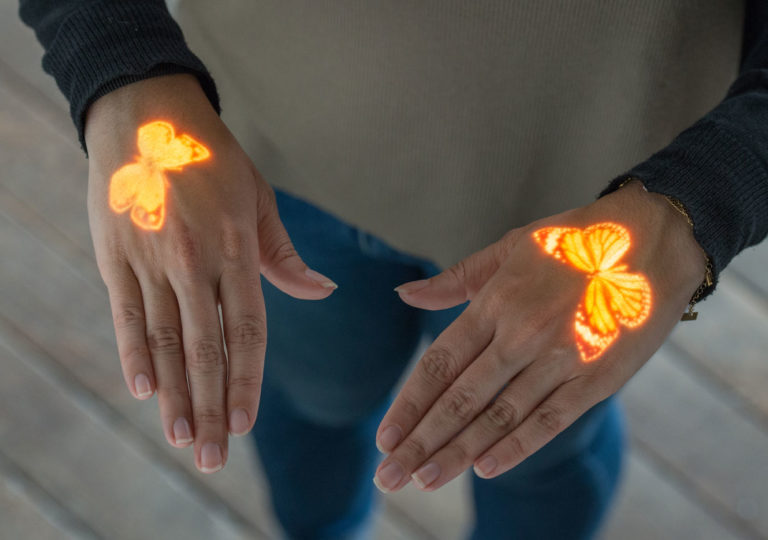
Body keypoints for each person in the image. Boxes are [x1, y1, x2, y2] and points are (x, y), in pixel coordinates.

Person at [19, 1, 768, 538]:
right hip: (260, 156)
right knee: (315, 395)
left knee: (531, 451)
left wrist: (694, 209)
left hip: (598, 213)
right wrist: (121, 68)